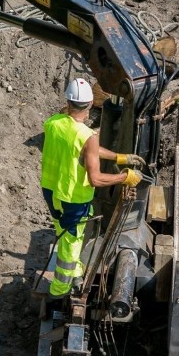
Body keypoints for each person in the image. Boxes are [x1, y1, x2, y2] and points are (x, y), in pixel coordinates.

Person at [40, 78, 145, 301]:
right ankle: (60, 289)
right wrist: (124, 177)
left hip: (51, 192)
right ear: (89, 105)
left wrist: (119, 156)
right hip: (73, 198)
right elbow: (95, 178)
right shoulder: (88, 137)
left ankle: (75, 269)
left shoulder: (53, 123)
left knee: (65, 229)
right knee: (71, 240)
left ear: (68, 101)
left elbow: (82, 151)